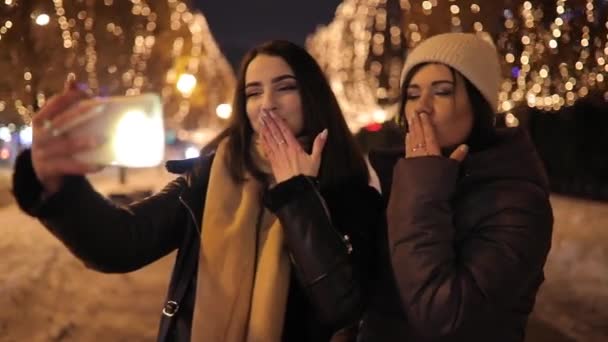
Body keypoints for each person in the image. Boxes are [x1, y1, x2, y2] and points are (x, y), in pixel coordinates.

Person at [12, 40, 383, 341]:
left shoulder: (352, 187)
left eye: (285, 87)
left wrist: (297, 194)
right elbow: (122, 244)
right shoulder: (210, 178)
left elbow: (342, 306)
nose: (267, 103)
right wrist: (57, 188)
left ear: (313, 96)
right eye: (253, 92)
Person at [359, 33, 554, 341]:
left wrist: (423, 183)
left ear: (478, 104)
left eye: (442, 92)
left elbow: (445, 317)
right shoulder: (391, 179)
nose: (421, 108)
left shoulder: (516, 199)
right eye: (412, 94)